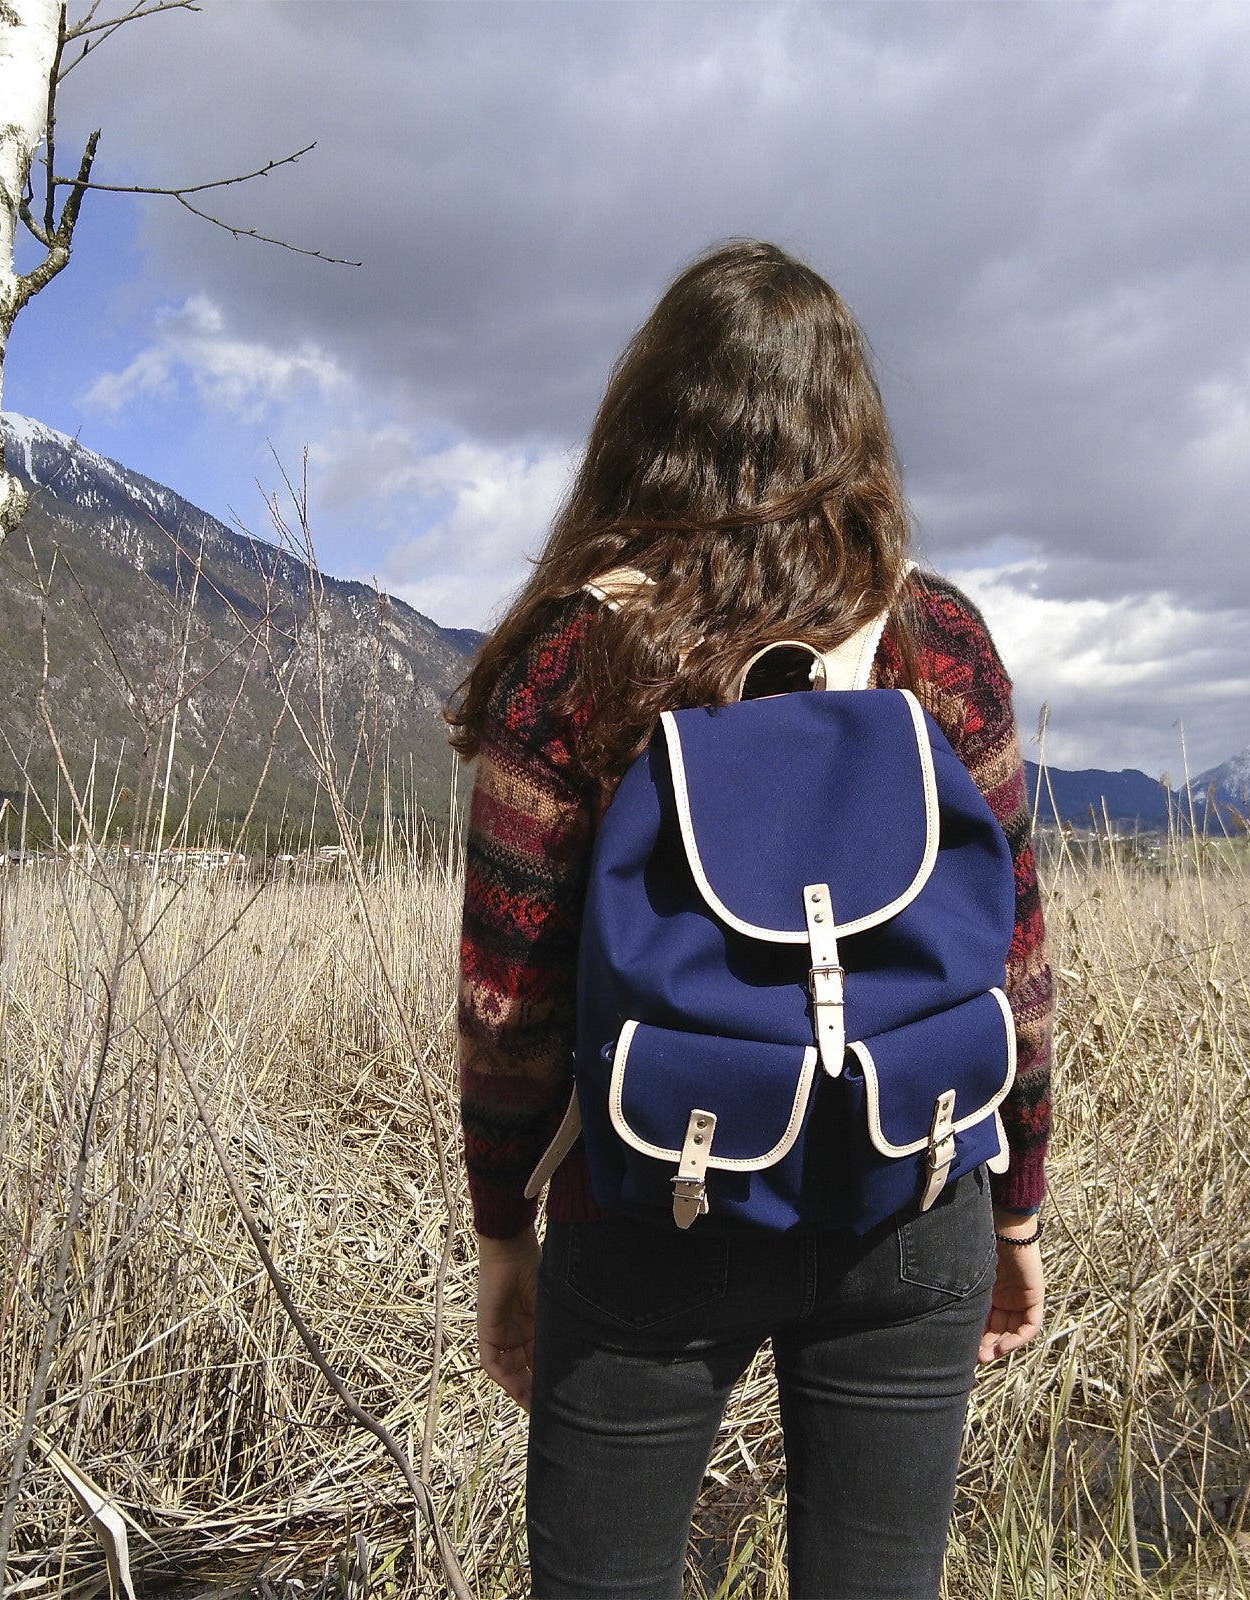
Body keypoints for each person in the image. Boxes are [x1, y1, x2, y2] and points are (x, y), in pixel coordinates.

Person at [447, 240, 1053, 1600]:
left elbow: (509, 1004)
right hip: (913, 1179)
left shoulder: (573, 651)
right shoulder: (938, 641)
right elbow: (1014, 963)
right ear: (854, 426)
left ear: (645, 425)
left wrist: (505, 1234)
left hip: (655, 1195)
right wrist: (1013, 1209)